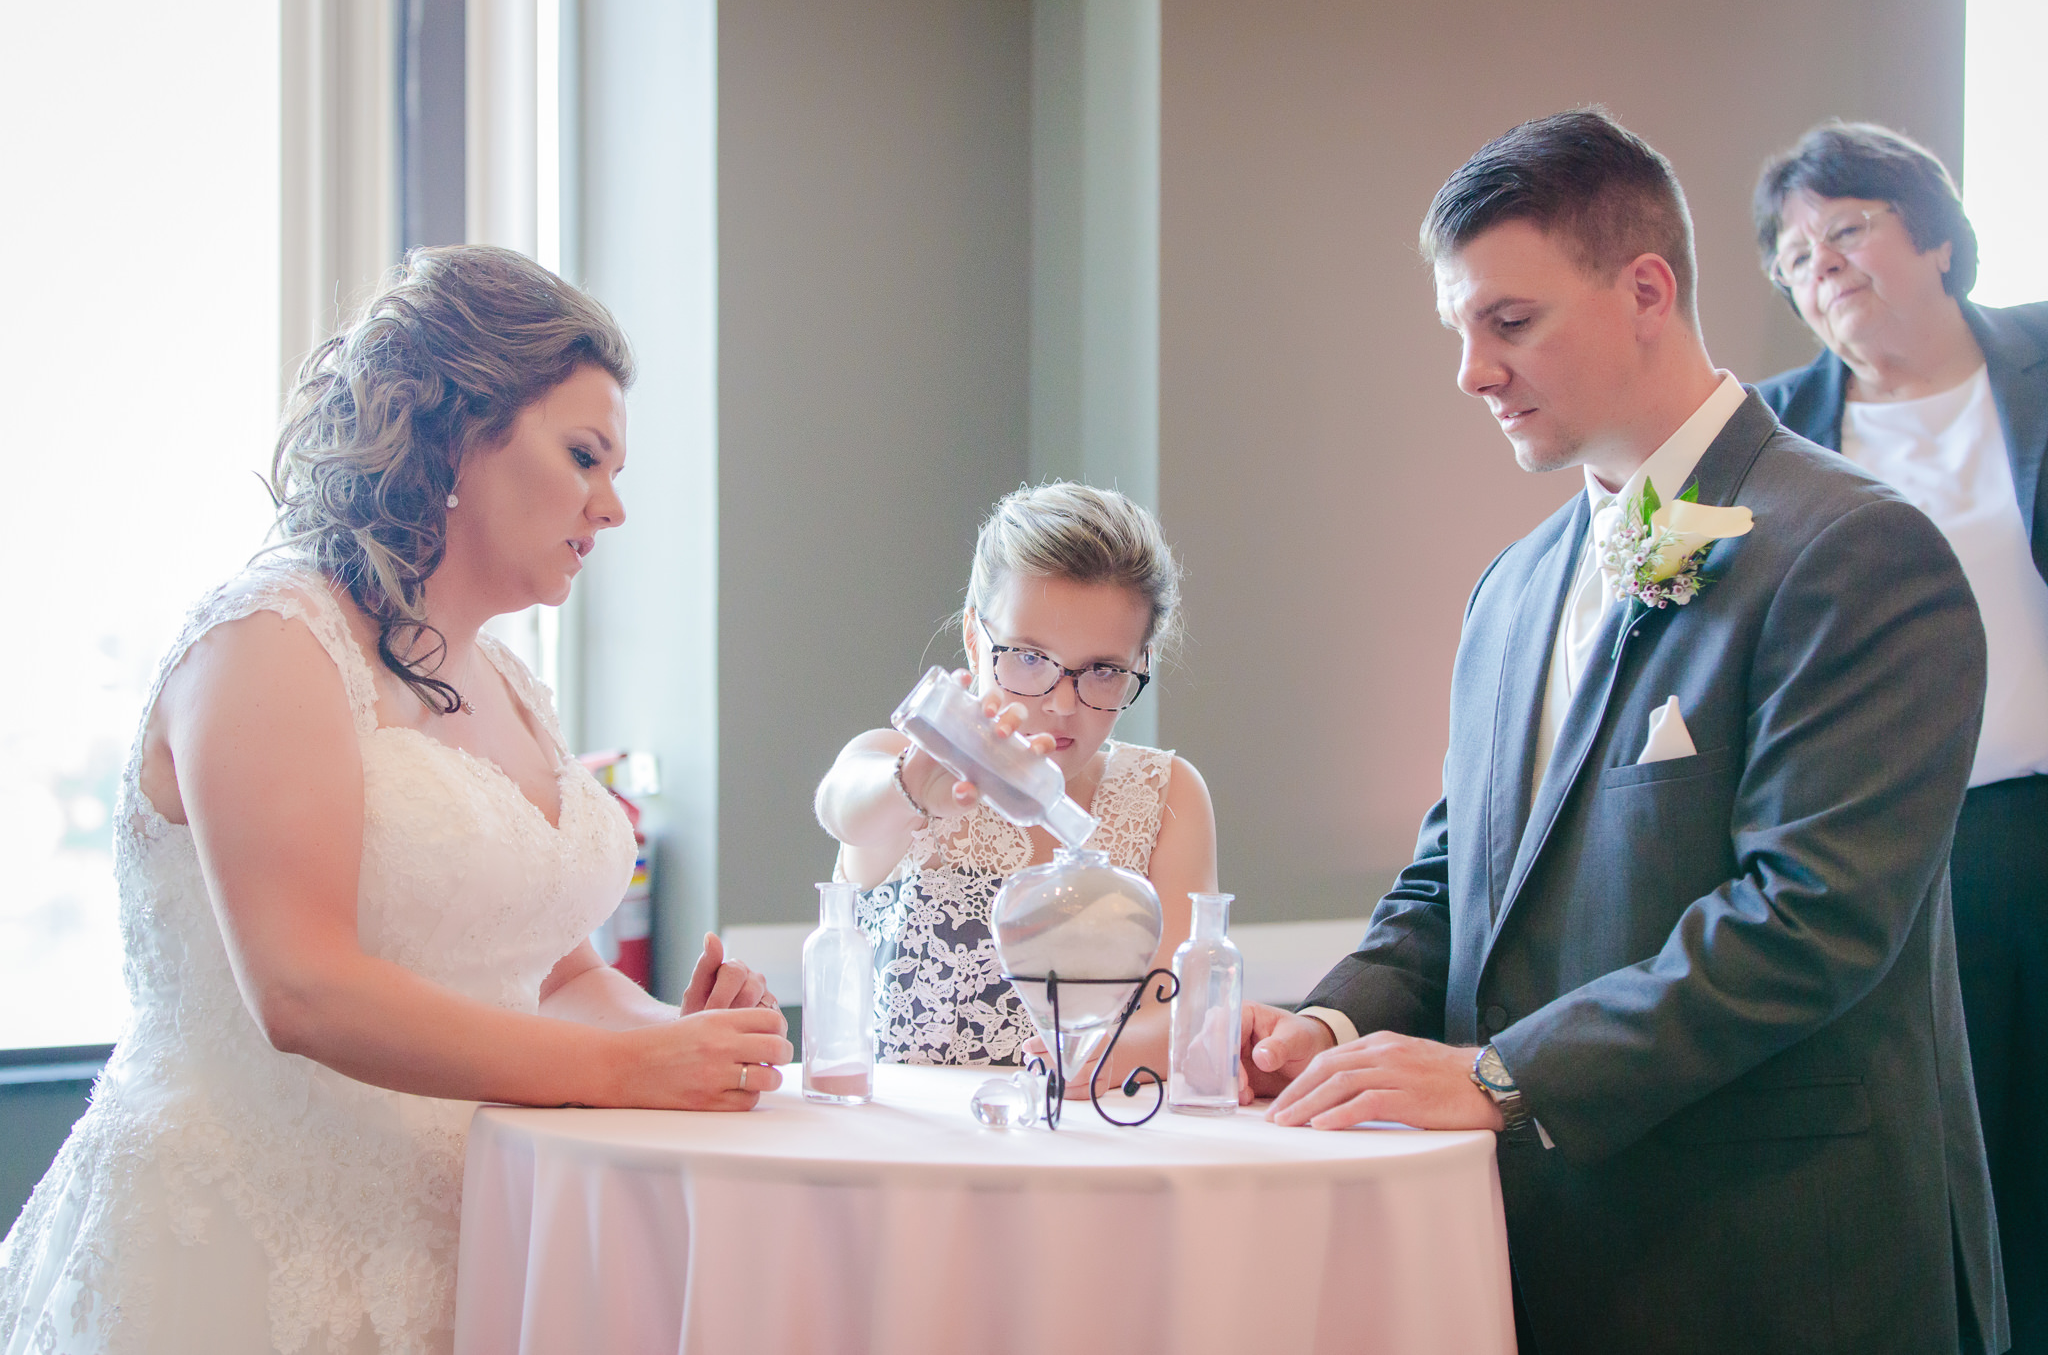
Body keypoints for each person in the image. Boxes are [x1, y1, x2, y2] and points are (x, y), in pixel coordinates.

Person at [1237, 110, 2006, 1352]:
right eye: (1458, 332)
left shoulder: (1854, 548)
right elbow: (1456, 878)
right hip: (1537, 1256)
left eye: (1508, 322)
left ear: (1644, 288)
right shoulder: (1511, 588)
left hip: (1773, 1260)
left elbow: (1807, 917)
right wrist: (1319, 1028)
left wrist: (1502, 1077)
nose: (1470, 373)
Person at [0, 247, 791, 1355]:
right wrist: (626, 1070)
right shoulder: (271, 643)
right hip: (243, 1252)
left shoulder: (510, 684)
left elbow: (551, 973)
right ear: (462, 432)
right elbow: (302, 988)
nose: (609, 508)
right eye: (583, 456)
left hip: (467, 1239)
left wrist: (681, 1038)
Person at [1751, 120, 2047, 1354]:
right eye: (1793, 255)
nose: (1819, 262)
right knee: (1957, 1143)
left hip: (2037, 810)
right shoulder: (1775, 432)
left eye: (1845, 228)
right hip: (1897, 846)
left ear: (1930, 233)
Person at [814, 482, 1216, 1088]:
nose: (1059, 703)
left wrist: (1087, 1060)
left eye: (1103, 671)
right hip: (909, 1159)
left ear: (1141, 664)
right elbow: (843, 806)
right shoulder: (902, 761)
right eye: (1029, 657)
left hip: (1094, 1153)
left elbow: (1184, 1012)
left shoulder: (1168, 794)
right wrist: (913, 785)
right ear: (976, 639)